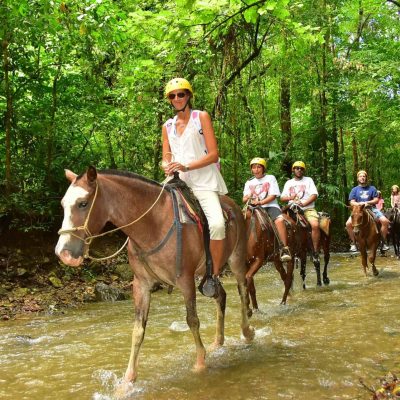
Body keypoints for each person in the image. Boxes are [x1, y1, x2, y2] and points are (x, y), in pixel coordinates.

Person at [161, 77, 227, 297]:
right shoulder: (167, 126)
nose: (177, 98)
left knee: (217, 224)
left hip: (203, 180)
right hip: (176, 180)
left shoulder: (202, 117)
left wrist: (186, 165)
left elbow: (214, 154)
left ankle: (214, 276)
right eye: (173, 95)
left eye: (181, 94)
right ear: (169, 100)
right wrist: (166, 165)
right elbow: (165, 157)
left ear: (189, 95)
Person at [243, 157, 292, 262]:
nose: (256, 169)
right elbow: (244, 199)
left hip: (270, 206)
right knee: (240, 219)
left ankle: (284, 248)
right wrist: (249, 197)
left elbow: (273, 195)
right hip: (253, 208)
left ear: (263, 168)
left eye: (258, 167)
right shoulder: (249, 182)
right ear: (251, 169)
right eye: (254, 167)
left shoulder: (270, 178)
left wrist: (260, 202)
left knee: (279, 220)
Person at [280, 161, 320, 259]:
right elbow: (282, 198)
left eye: (301, 168)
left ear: (304, 170)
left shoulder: (308, 180)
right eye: (297, 168)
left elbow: (314, 195)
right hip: (291, 209)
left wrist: (304, 203)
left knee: (315, 225)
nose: (299, 170)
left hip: (307, 208)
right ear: (293, 170)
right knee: (279, 224)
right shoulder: (289, 183)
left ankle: (315, 250)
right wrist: (290, 197)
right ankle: (283, 249)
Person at [345, 170, 390, 252]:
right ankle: (353, 243)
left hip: (371, 208)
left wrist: (366, 202)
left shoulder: (372, 188)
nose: (362, 178)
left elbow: (376, 200)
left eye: (364, 176)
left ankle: (383, 242)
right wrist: (359, 204)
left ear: (366, 178)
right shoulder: (354, 189)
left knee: (385, 221)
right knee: (348, 224)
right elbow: (351, 201)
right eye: (360, 176)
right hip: (358, 210)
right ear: (358, 178)